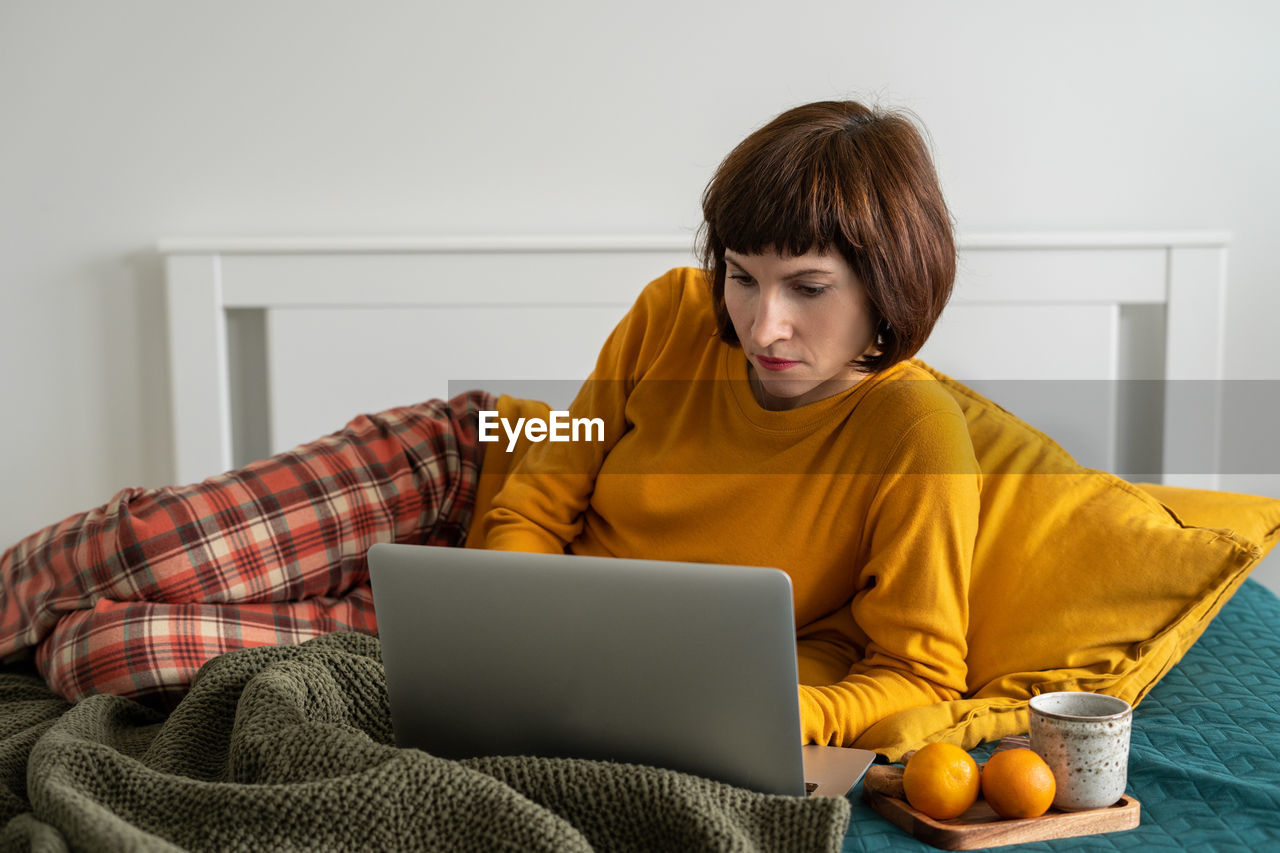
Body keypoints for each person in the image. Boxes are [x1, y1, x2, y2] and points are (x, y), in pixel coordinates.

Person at [0, 100, 979, 748]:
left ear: (887, 284)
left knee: (114, 655)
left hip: (543, 651)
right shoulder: (675, 309)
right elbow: (555, 468)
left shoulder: (914, 437)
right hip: (469, 475)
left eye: (806, 288)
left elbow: (921, 678)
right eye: (744, 277)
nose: (761, 322)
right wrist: (514, 600)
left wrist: (790, 716)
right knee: (154, 546)